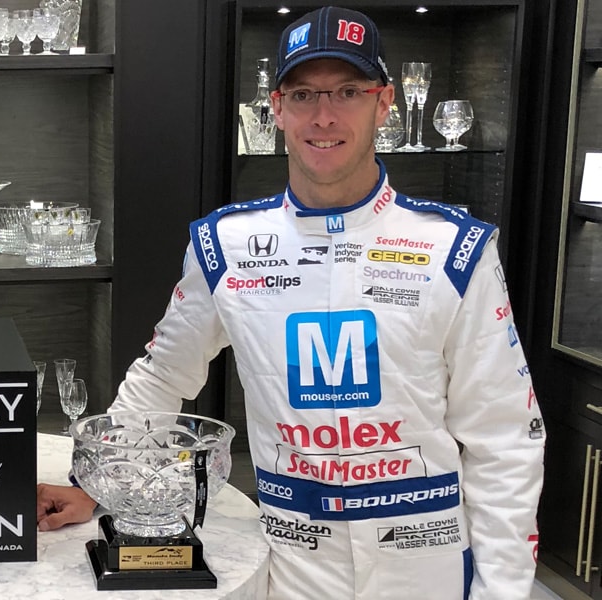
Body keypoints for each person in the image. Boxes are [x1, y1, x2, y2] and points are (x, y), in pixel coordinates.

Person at [37, 6, 545, 599]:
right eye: (303, 95)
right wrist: (97, 485)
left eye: (348, 91)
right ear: (276, 109)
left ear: (384, 103)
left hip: (425, 564)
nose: (323, 116)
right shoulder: (225, 244)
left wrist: (502, 590)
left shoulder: (455, 249)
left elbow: (504, 439)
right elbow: (162, 375)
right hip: (292, 564)